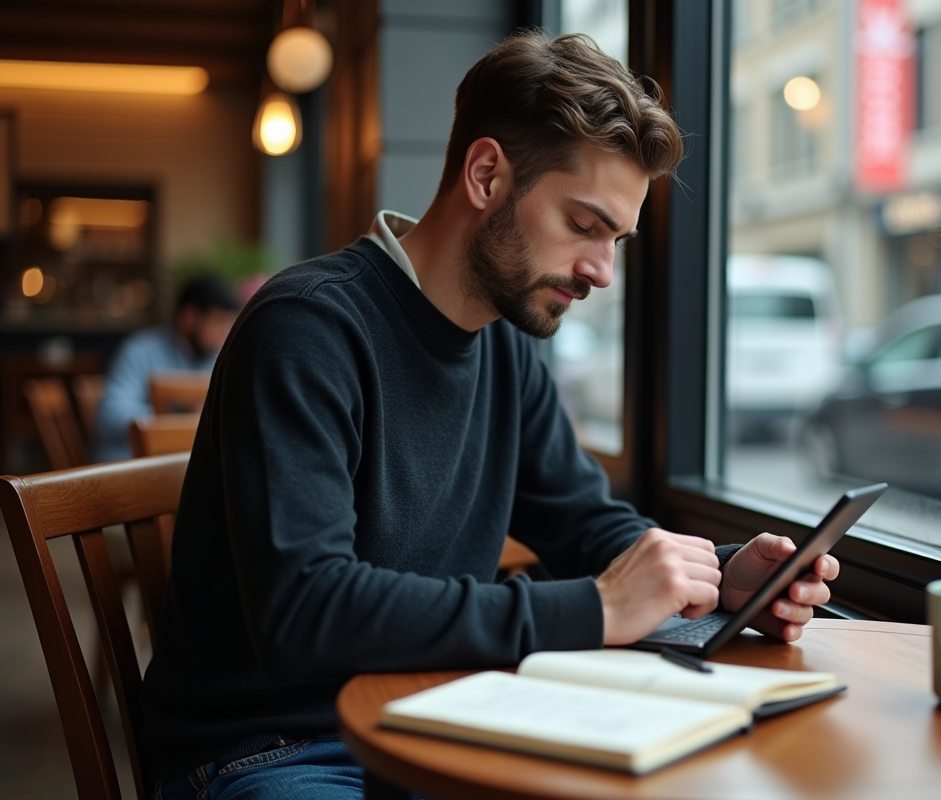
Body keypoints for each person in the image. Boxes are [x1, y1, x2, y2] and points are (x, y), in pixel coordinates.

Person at [142, 31, 841, 799]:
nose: (602, 272)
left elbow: (585, 525)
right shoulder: (308, 328)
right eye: (583, 225)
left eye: (617, 240)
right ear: (485, 175)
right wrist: (598, 607)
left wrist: (715, 577)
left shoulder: (506, 349)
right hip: (273, 751)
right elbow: (306, 609)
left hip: (437, 719)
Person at [92, 275, 239, 462]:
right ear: (189, 317)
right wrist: (176, 414)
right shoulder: (140, 351)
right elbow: (109, 415)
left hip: (181, 467)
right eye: (218, 321)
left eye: (229, 323)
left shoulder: (220, 358)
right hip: (132, 468)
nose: (225, 332)